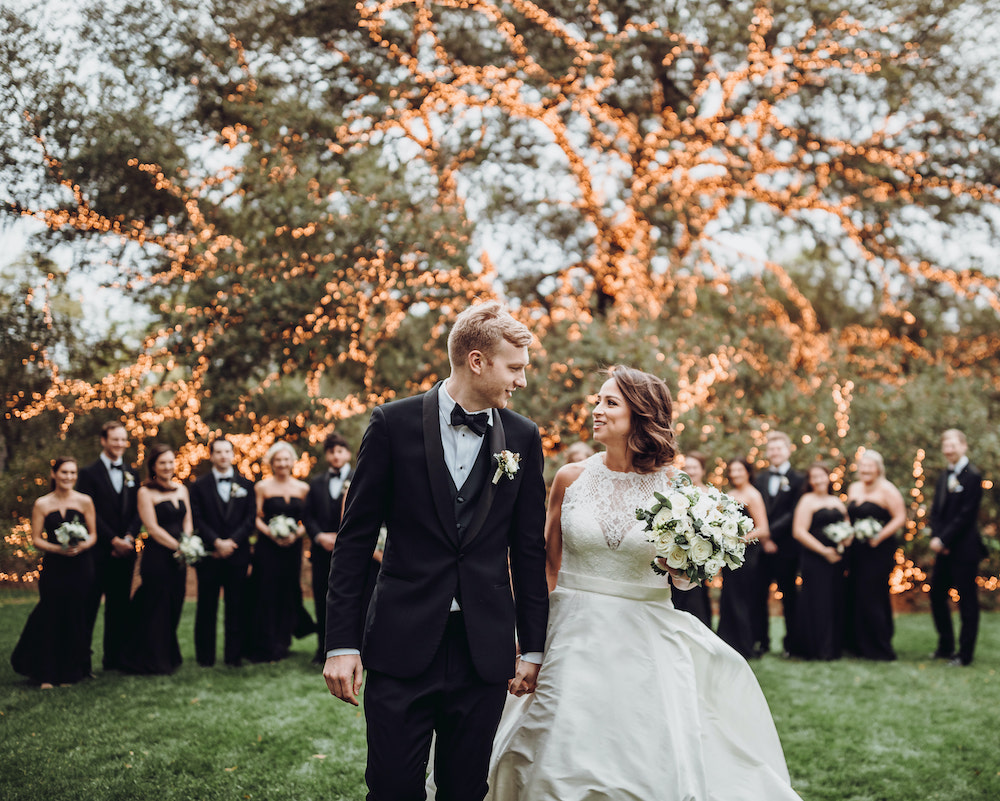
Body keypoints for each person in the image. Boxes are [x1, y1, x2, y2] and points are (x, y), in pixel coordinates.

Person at [471, 366, 798, 800]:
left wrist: (683, 568)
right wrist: (528, 638)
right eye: (598, 400)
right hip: (570, 632)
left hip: (643, 636)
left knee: (641, 750)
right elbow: (547, 568)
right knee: (549, 744)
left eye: (610, 403)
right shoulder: (570, 478)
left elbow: (685, 579)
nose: (597, 410)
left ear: (640, 415)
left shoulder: (677, 489)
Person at [323, 300, 549, 801]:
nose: (522, 382)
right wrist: (341, 643)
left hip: (483, 650)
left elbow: (528, 550)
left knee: (466, 789)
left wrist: (532, 646)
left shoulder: (525, 438)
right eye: (515, 368)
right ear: (477, 361)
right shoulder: (392, 423)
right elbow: (355, 540)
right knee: (393, 787)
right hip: (401, 642)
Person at [11, 458, 98, 687]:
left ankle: (70, 673)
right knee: (50, 615)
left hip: (81, 566)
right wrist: (57, 549)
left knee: (74, 615)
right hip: (55, 567)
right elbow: (37, 539)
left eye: (72, 473)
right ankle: (46, 674)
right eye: (64, 472)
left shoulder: (85, 501)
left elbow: (94, 535)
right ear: (54, 474)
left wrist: (82, 545)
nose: (68, 477)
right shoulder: (42, 504)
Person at [121, 444, 192, 675]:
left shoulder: (181, 489)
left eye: (170, 462)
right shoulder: (145, 492)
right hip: (158, 557)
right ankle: (150, 660)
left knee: (175, 603)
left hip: (179, 558)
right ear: (153, 466)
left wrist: (188, 543)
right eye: (162, 463)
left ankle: (168, 656)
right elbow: (151, 527)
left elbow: (188, 521)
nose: (167, 467)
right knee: (155, 606)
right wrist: (178, 547)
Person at [76, 421, 140, 671]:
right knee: (89, 606)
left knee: (119, 607)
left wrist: (129, 537)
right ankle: (81, 661)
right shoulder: (87, 474)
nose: (119, 444)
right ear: (104, 441)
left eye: (123, 440)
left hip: (125, 551)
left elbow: (137, 510)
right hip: (98, 552)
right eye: (115, 439)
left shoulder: (132, 474)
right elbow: (87, 512)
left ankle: (114, 660)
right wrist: (111, 539)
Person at [190, 436, 256, 667]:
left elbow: (250, 520)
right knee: (206, 607)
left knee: (236, 607)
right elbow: (197, 518)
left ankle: (233, 657)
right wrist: (217, 542)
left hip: (237, 555)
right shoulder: (198, 486)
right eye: (218, 452)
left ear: (232, 454)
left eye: (227, 451)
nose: (223, 456)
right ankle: (205, 658)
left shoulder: (247, 485)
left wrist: (232, 542)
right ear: (211, 456)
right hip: (210, 555)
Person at [244, 440, 312, 663]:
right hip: (268, 549)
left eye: (286, 459)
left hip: (292, 549)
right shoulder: (262, 487)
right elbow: (255, 516)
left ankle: (283, 641)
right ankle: (265, 642)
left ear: (292, 461)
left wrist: (296, 534)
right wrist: (272, 534)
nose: (282, 463)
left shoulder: (302, 488)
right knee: (266, 592)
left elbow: (309, 519)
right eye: (278, 460)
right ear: (271, 463)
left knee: (289, 591)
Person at [928, 429, 986, 666]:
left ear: (963, 446)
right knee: (936, 595)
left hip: (964, 550)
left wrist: (945, 540)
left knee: (966, 602)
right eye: (945, 445)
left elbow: (966, 516)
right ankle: (945, 645)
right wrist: (936, 536)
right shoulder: (944, 475)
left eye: (952, 444)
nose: (948, 449)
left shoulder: (973, 476)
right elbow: (936, 511)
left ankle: (965, 654)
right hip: (943, 549)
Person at [845, 450, 905, 660]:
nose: (866, 470)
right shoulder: (853, 488)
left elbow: (900, 518)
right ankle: (858, 644)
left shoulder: (888, 490)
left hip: (879, 550)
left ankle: (880, 645)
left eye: (870, 466)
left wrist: (879, 535)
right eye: (863, 466)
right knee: (856, 593)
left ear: (878, 468)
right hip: (856, 551)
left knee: (873, 595)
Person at [303, 432, 357, 665]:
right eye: (331, 452)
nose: (336, 456)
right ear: (327, 456)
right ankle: (321, 649)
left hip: (351, 553)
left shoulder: (359, 478)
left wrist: (342, 538)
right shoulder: (315, 483)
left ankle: (355, 648)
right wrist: (318, 537)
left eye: (340, 451)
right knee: (321, 599)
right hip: (321, 551)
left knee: (351, 598)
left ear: (347, 454)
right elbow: (307, 516)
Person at [752, 430, 806, 656]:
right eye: (771, 449)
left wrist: (769, 534)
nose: (774, 452)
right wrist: (763, 539)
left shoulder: (800, 479)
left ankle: (792, 644)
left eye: (778, 448)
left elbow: (795, 513)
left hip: (786, 549)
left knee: (790, 597)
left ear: (788, 450)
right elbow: (756, 511)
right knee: (758, 597)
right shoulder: (759, 479)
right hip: (761, 549)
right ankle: (761, 642)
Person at [790, 461, 850, 661]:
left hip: (837, 560)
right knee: (817, 601)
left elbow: (847, 527)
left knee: (835, 600)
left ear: (828, 477)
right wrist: (824, 551)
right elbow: (799, 532)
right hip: (815, 559)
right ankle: (815, 648)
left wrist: (845, 541)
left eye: (821, 475)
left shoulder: (837, 501)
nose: (818, 480)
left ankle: (834, 647)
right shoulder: (807, 500)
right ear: (810, 481)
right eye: (813, 477)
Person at [717, 457, 771, 658]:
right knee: (729, 597)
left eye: (740, 470)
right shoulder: (729, 495)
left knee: (744, 598)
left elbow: (763, 529)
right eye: (732, 470)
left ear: (748, 472)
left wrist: (740, 539)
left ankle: (746, 644)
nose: (736, 474)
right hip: (729, 554)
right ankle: (728, 642)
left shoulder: (753, 495)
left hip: (747, 555)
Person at [669, 451, 713, 626]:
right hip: (678, 554)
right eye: (688, 468)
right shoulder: (676, 493)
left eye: (695, 467)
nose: (691, 471)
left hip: (701, 554)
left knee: (698, 597)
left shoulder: (711, 494)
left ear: (702, 470)